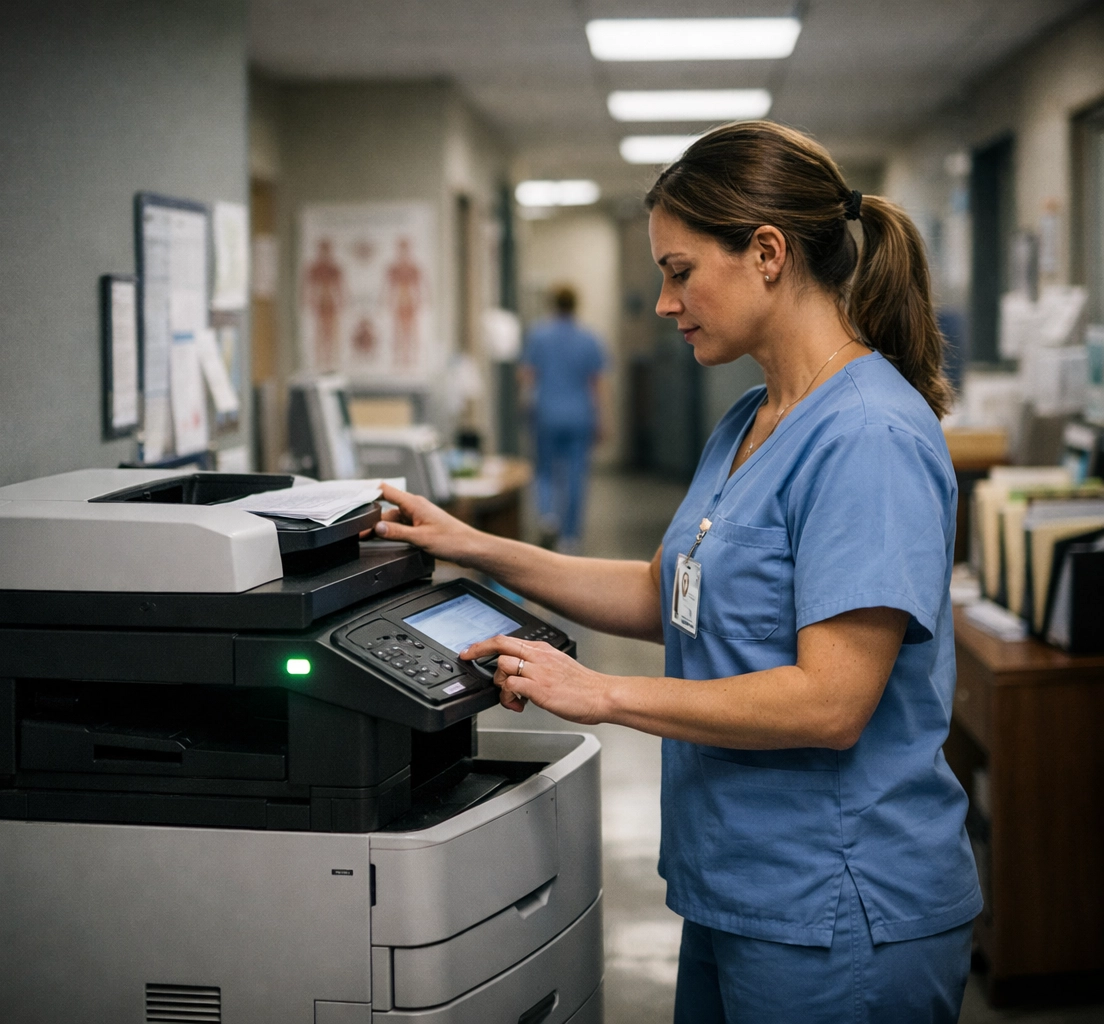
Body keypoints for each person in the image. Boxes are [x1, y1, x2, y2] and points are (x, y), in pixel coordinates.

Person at [372, 121, 979, 1022]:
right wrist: (474, 545)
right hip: (736, 886)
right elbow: (667, 592)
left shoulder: (867, 438)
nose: (663, 302)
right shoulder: (750, 418)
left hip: (839, 907)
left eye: (679, 270)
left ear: (767, 253)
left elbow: (830, 702)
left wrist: (605, 695)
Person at [520, 285, 608, 551]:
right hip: (580, 415)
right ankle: (570, 537)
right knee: (576, 476)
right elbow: (597, 384)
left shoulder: (539, 336)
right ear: (575, 305)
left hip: (547, 413)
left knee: (545, 470)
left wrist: (525, 405)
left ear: (552, 304)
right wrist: (602, 418)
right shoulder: (589, 338)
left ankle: (548, 516)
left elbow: (526, 375)